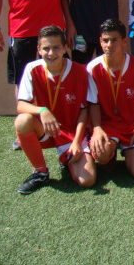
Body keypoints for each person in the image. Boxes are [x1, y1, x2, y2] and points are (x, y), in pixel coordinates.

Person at [14, 26, 95, 194]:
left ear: (65, 48)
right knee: (22, 121)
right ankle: (40, 172)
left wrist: (76, 142)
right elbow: (21, 105)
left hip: (72, 133)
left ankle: (66, 157)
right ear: (39, 49)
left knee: (87, 180)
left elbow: (84, 111)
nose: (51, 53)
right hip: (47, 130)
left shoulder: (80, 72)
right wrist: (42, 110)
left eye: (56, 47)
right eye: (46, 48)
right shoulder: (32, 68)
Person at [87, 19, 134, 178]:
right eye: (105, 40)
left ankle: (120, 151)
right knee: (102, 157)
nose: (109, 45)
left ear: (124, 41)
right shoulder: (92, 68)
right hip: (107, 125)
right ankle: (110, 152)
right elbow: (92, 103)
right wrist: (97, 129)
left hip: (133, 126)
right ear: (100, 42)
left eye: (114, 40)